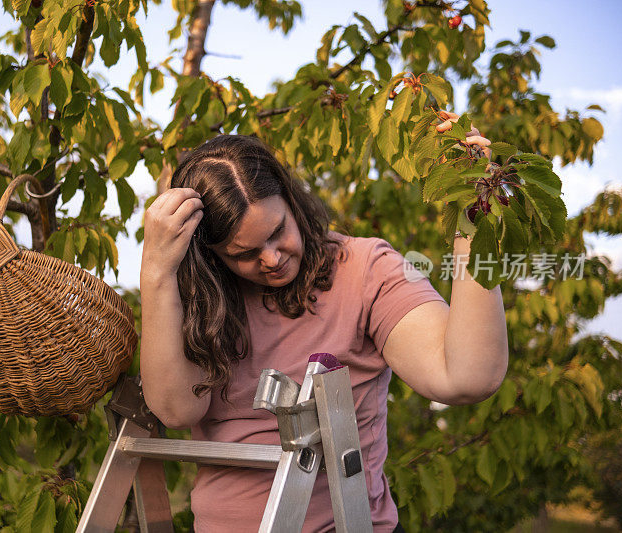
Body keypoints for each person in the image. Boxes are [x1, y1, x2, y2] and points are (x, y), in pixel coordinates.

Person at [139, 114, 507, 532]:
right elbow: (176, 408)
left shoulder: (366, 270)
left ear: (292, 203)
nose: (272, 258)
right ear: (212, 258)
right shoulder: (204, 299)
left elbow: (466, 377)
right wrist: (156, 272)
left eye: (279, 231)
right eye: (244, 254)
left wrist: (473, 214)